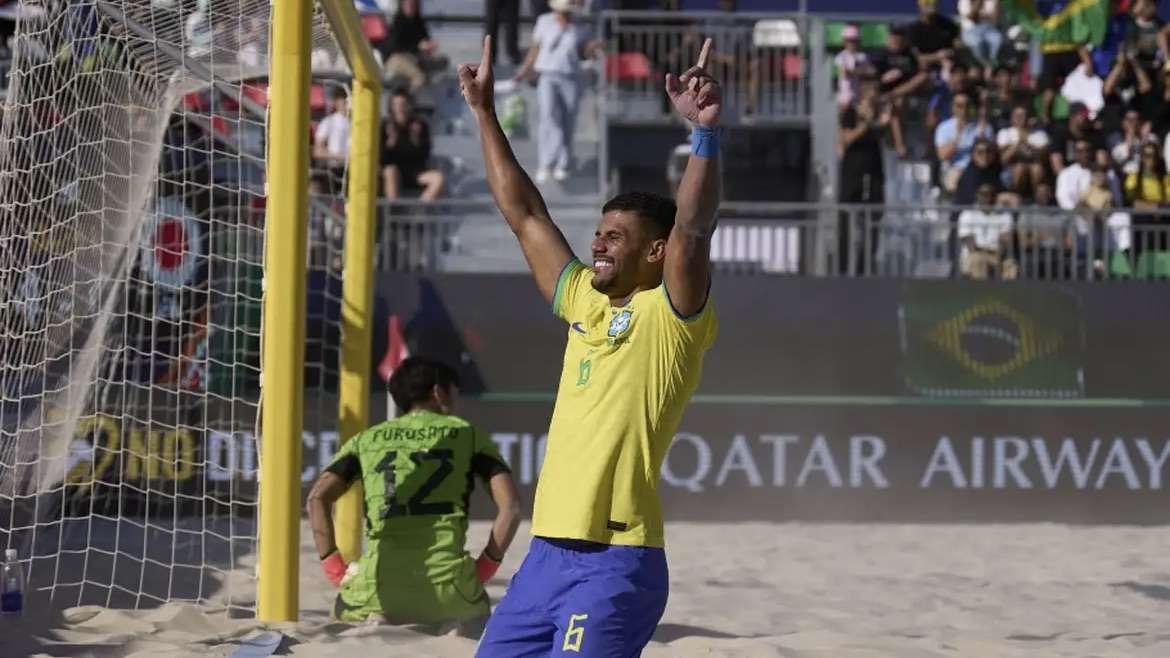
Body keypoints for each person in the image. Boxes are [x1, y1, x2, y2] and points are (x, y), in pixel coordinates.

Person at [459, 35, 720, 656]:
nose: (598, 245)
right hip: (544, 556)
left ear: (654, 252)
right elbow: (524, 215)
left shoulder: (671, 313)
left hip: (616, 561)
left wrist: (705, 133)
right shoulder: (584, 299)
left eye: (616, 237)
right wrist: (484, 113)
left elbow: (693, 228)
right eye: (598, 234)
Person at [306, 357, 523, 626]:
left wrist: (335, 569)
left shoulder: (366, 438)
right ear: (437, 392)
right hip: (449, 593)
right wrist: (485, 567)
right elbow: (511, 508)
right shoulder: (466, 434)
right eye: (455, 392)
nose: (457, 402)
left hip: (375, 591)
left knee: (344, 612)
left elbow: (317, 498)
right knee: (478, 612)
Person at [513, 0, 602, 183]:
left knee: (568, 121)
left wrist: (592, 48)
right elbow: (535, 49)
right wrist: (523, 72)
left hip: (571, 76)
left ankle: (564, 163)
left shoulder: (580, 25)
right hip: (547, 75)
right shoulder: (544, 21)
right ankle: (546, 163)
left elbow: (584, 53)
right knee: (549, 117)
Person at [381, 89, 445, 201]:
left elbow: (425, 154)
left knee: (438, 179)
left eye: (403, 104)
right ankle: (393, 213)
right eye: (396, 104)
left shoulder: (419, 125)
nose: (400, 108)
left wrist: (415, 139)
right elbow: (382, 158)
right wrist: (391, 142)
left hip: (415, 172)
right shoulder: (386, 126)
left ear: (409, 106)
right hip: (394, 173)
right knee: (390, 171)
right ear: (391, 107)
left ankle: (418, 212)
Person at [381, 0, 447, 93]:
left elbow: (425, 40)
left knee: (442, 61)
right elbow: (396, 46)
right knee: (419, 78)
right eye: (407, 4)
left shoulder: (418, 22)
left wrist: (429, 46)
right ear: (402, 5)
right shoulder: (398, 22)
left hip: (414, 57)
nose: (410, 6)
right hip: (396, 59)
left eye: (413, 4)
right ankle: (403, 101)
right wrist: (418, 47)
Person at [935, 91, 993, 194]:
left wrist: (982, 139)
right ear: (953, 108)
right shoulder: (944, 127)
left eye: (967, 106)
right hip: (955, 168)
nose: (964, 110)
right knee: (955, 177)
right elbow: (942, 156)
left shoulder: (982, 126)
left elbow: (991, 155)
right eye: (959, 106)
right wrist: (959, 134)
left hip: (979, 168)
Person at [958, 182, 1016, 279]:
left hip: (997, 255)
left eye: (991, 195)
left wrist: (997, 255)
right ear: (977, 196)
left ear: (995, 197)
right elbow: (971, 246)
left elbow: (1005, 242)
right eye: (983, 195)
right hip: (974, 255)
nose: (987, 198)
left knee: (1011, 266)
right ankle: (981, 293)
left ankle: (1005, 294)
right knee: (978, 260)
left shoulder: (1005, 215)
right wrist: (989, 252)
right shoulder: (967, 214)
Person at [313, 89, 350, 193]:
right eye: (345, 100)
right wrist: (342, 157)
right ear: (337, 102)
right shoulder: (329, 122)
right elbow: (318, 151)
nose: (348, 103)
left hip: (353, 169)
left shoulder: (358, 124)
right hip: (334, 168)